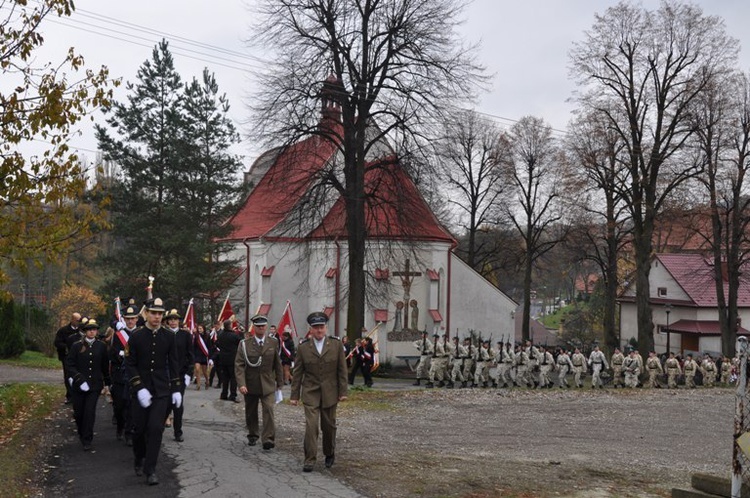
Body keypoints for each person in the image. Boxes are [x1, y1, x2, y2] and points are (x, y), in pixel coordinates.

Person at [126, 297, 182, 485]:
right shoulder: (136, 336)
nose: (157, 317)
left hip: (161, 389)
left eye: (160, 314)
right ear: (146, 314)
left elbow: (174, 363)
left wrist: (176, 388)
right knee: (139, 429)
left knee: (156, 428)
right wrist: (139, 387)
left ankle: (151, 470)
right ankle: (139, 457)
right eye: (153, 313)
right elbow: (130, 364)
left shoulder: (168, 336)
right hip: (140, 389)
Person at [290, 311, 348, 472]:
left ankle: (329, 452)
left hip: (330, 392)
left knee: (328, 426)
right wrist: (294, 396)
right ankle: (309, 459)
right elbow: (298, 373)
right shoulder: (303, 347)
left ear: (326, 328)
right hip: (310, 392)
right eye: (316, 327)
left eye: (321, 327)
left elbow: (342, 371)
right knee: (311, 426)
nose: (319, 330)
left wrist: (343, 392)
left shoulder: (336, 345)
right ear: (311, 329)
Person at [235, 315, 283, 450]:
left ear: (266, 326)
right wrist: (241, 384)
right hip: (250, 383)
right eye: (258, 326)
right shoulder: (245, 344)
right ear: (254, 327)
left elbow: (277, 363)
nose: (261, 328)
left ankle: (268, 438)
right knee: (251, 411)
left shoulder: (273, 342)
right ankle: (253, 434)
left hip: (267, 383)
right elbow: (239, 365)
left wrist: (280, 383)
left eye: (263, 326)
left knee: (268, 409)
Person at [66, 319, 110, 451]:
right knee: (79, 413)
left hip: (94, 386)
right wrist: (79, 379)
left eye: (94, 329)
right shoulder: (76, 346)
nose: (92, 331)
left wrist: (107, 383)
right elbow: (70, 365)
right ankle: (81, 432)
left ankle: (87, 439)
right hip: (79, 386)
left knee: (89, 412)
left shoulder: (101, 346)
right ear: (85, 331)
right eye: (89, 329)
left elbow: (104, 366)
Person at [163, 309, 194, 442]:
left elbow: (191, 355)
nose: (173, 321)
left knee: (178, 404)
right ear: (168, 321)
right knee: (165, 403)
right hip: (165, 374)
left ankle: (178, 431)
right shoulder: (163, 334)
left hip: (180, 374)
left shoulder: (185, 335)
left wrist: (189, 374)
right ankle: (158, 429)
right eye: (171, 319)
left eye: (176, 319)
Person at [110, 304, 139, 445]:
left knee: (132, 406)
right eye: (128, 319)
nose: (130, 321)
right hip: (120, 377)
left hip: (134, 376)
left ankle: (129, 433)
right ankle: (120, 427)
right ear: (124, 320)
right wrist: (120, 355)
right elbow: (112, 355)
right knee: (120, 406)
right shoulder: (118, 336)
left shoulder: (141, 334)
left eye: (133, 318)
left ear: (137, 319)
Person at [55, 312, 82, 404]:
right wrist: (66, 347)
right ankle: (70, 395)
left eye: (80, 320)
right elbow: (57, 342)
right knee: (68, 375)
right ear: (72, 320)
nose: (79, 322)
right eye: (77, 320)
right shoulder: (63, 331)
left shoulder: (81, 331)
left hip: (79, 356)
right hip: (66, 356)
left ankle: (78, 393)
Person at [216, 319, 241, 402]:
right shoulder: (234, 335)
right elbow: (240, 342)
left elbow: (217, 344)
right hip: (232, 359)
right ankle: (233, 395)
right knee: (233, 378)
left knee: (225, 377)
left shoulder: (220, 335)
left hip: (223, 358)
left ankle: (224, 394)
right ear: (230, 326)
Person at [192, 324, 212, 390]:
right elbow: (194, 346)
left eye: (201, 328)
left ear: (203, 329)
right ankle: (198, 384)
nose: (199, 330)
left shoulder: (207, 336)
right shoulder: (196, 336)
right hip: (197, 355)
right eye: (198, 328)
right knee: (197, 369)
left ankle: (207, 380)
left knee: (204, 371)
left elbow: (209, 347)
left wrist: (210, 357)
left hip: (204, 355)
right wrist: (193, 354)